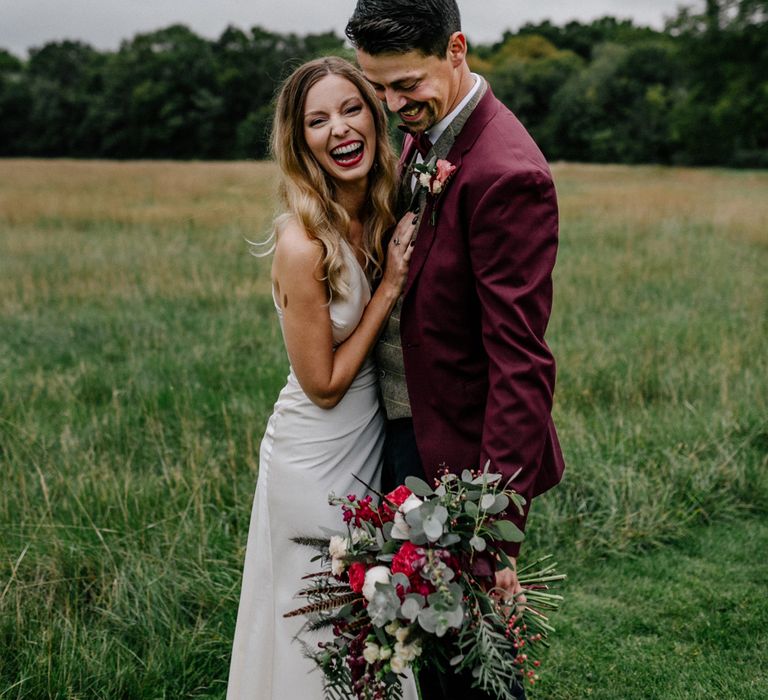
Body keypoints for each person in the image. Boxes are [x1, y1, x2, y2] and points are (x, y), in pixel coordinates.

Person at [346, 1, 566, 698]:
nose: (389, 104)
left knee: (469, 668)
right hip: (410, 437)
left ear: (458, 50)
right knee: (433, 656)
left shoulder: (507, 171)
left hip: (458, 460)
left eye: (404, 85)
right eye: (376, 87)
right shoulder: (429, 132)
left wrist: (488, 533)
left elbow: (521, 361)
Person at [226, 57, 419, 700]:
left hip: (371, 448)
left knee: (370, 625)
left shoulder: (389, 205)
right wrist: (387, 286)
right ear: (300, 140)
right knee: (317, 631)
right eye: (317, 120)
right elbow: (325, 384)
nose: (338, 128)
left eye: (350, 108)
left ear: (374, 113)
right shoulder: (302, 241)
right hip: (312, 456)